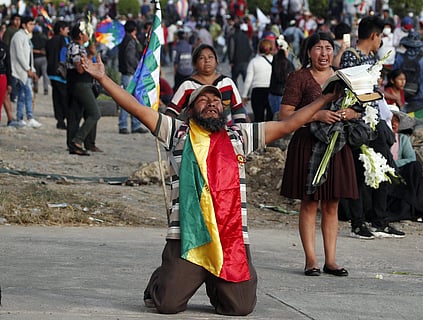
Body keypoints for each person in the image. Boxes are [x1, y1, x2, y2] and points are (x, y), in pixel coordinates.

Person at [80, 52, 341, 315]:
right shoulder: (177, 132)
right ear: (190, 110)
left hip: (230, 236)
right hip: (188, 237)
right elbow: (135, 108)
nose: (211, 103)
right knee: (167, 305)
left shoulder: (240, 135)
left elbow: (290, 123)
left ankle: (216, 284)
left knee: (240, 308)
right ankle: (161, 280)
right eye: (202, 100)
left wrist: (326, 98)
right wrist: (103, 78)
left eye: (216, 100)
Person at [280, 32, 358, 277]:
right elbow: (284, 115)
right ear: (308, 52)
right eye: (318, 48)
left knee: (332, 204)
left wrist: (347, 114)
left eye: (328, 48)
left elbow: (358, 108)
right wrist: (316, 115)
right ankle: (311, 260)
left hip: (335, 146)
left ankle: (331, 260)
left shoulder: (342, 78)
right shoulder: (299, 78)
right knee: (310, 202)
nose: (323, 54)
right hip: (308, 145)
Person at [339, 15, 406, 239]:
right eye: (381, 36)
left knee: (385, 169)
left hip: (376, 122)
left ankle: (380, 220)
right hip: (358, 124)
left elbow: (375, 95)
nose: (381, 41)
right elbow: (351, 91)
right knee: (360, 173)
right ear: (374, 35)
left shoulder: (372, 58)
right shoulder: (351, 57)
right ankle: (358, 223)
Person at [166, 43, 247, 124]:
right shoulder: (187, 85)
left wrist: (240, 129)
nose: (207, 60)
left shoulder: (227, 83)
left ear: (216, 61)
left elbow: (238, 110)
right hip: (196, 134)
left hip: (225, 134)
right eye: (201, 58)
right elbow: (171, 112)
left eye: (210, 57)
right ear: (195, 63)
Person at [65, 22, 102, 155]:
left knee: (76, 115)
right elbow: (80, 69)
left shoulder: (78, 47)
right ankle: (78, 140)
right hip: (80, 84)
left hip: (80, 84)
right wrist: (90, 55)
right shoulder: (75, 48)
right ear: (80, 34)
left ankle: (78, 144)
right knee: (95, 113)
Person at [387, 107, 423, 223]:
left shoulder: (402, 139)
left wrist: (393, 164)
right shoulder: (377, 138)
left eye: (396, 121)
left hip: (399, 173)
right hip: (382, 175)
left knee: (414, 167)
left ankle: (413, 210)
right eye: (391, 120)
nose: (394, 124)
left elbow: (411, 158)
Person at [392, 30, 423, 124]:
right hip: (418, 97)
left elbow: (393, 77)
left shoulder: (399, 58)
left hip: (401, 97)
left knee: (402, 124)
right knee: (416, 123)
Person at [117, 20, 148, 135]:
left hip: (127, 72)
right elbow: (130, 57)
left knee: (130, 99)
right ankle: (126, 125)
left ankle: (132, 124)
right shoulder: (130, 41)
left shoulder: (125, 39)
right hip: (130, 73)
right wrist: (138, 68)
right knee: (129, 100)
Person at [10, 15, 41, 128]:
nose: (32, 26)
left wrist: (32, 70)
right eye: (30, 24)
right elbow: (20, 56)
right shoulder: (18, 36)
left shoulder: (25, 37)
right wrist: (28, 70)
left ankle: (20, 118)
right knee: (26, 94)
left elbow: (29, 56)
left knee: (23, 95)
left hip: (26, 71)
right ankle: (29, 117)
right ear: (24, 25)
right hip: (20, 71)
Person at [242, 38, 274, 122]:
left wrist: (244, 95)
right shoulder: (275, 61)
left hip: (257, 92)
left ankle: (259, 134)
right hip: (272, 91)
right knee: (270, 118)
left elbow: (248, 80)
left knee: (258, 118)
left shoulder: (254, 61)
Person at [46, 20, 70, 130]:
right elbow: (64, 55)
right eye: (66, 28)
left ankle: (59, 120)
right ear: (61, 29)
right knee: (65, 98)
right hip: (61, 74)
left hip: (51, 72)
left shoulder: (50, 41)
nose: (68, 31)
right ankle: (67, 119)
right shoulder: (63, 40)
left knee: (56, 97)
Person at [268, 36, 295, 117]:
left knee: (276, 118)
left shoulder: (274, 61)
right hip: (283, 96)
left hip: (273, 94)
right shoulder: (288, 64)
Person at [32, 25, 49, 95]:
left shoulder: (31, 40)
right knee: (45, 74)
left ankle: (36, 88)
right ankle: (46, 89)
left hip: (35, 59)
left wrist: (38, 52)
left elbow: (30, 50)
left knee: (36, 74)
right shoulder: (44, 38)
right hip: (44, 58)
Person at [0, 38, 14, 126]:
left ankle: (10, 118)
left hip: (2, 76)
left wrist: (9, 82)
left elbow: (8, 65)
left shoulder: (4, 46)